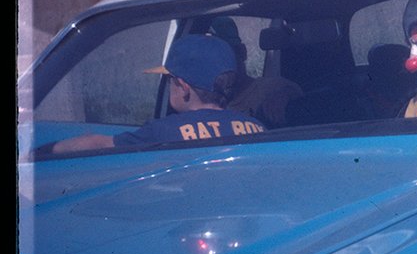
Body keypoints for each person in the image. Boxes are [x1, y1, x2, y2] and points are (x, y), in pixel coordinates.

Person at [49, 35, 266, 154]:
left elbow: (97, 143)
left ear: (183, 87)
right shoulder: (257, 128)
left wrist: (45, 151)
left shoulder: (162, 131)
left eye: (170, 81)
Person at [204, 17, 303, 128]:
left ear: (242, 52)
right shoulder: (201, 100)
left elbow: (297, 96)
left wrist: (283, 96)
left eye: (225, 54)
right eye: (210, 57)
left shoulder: (271, 88)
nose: (218, 62)